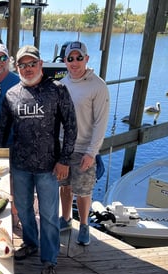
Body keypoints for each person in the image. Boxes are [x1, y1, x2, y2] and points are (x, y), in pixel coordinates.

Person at [0, 45, 77, 274]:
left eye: (32, 64)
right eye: (23, 64)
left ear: (40, 65)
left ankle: (49, 259)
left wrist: (64, 160)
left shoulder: (57, 90)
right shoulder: (11, 94)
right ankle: (30, 243)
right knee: (23, 208)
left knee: (50, 215)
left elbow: (71, 127)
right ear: (17, 67)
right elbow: (2, 129)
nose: (28, 68)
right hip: (20, 165)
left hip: (49, 166)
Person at [59, 41, 110, 246]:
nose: (75, 62)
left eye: (79, 57)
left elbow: (101, 122)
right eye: (70, 58)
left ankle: (85, 225)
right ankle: (65, 219)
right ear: (65, 61)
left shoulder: (98, 86)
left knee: (84, 191)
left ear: (86, 59)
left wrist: (92, 152)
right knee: (64, 186)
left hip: (84, 150)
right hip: (64, 148)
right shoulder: (62, 84)